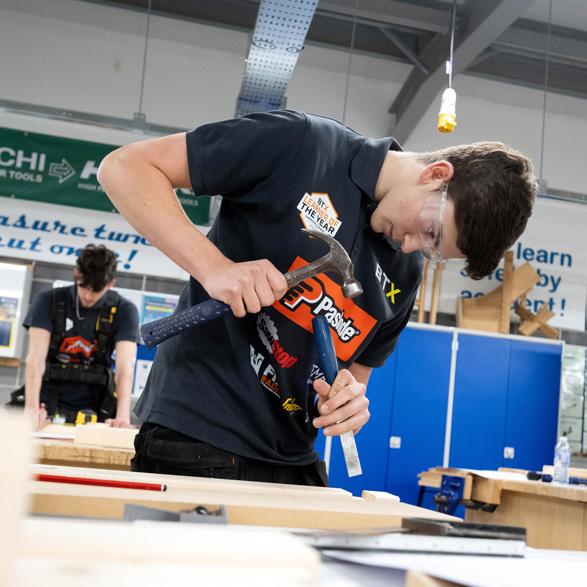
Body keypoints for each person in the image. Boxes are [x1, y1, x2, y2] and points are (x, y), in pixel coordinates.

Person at [98, 109, 537, 485]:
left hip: (294, 459)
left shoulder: (405, 270)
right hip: (198, 435)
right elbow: (125, 168)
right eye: (430, 231)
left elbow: (353, 378)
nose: (411, 246)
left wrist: (349, 403)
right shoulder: (303, 145)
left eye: (433, 250)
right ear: (436, 175)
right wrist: (215, 269)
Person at [23, 244, 139, 430]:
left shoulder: (125, 311)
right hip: (48, 397)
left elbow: (124, 368)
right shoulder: (47, 301)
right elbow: (35, 360)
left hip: (97, 403)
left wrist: (122, 416)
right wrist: (31, 409)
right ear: (76, 275)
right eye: (84, 287)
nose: (89, 296)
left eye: (97, 290)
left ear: (111, 284)